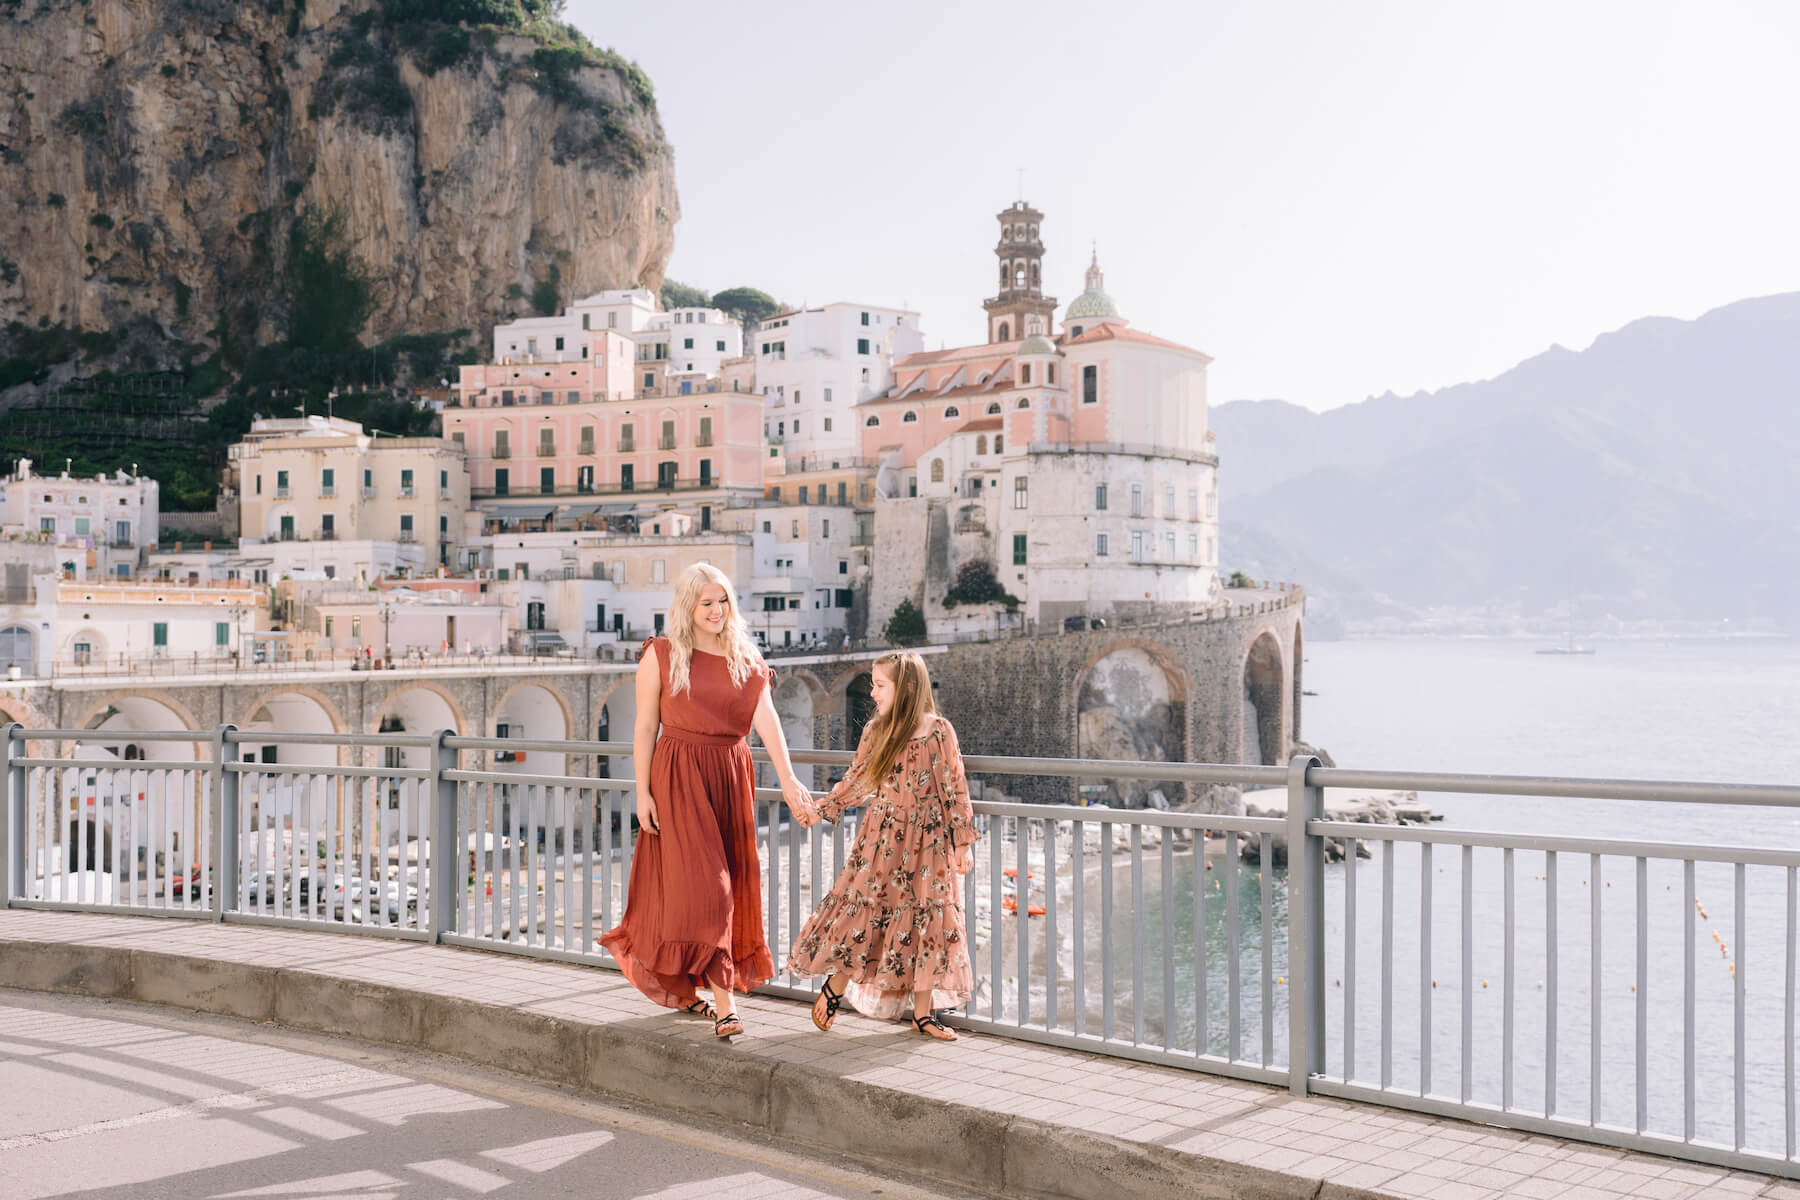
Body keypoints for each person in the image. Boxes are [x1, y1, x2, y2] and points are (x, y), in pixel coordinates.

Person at [598, 563, 812, 1038]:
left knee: (726, 885)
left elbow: (769, 723)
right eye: (706, 602)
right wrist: (642, 792)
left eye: (723, 601)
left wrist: (790, 778)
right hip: (678, 777)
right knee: (707, 890)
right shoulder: (662, 654)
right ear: (688, 607)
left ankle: (692, 986)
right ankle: (725, 1004)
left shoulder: (745, 655)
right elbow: (643, 727)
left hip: (730, 775)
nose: (717, 611)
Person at [789, 651, 975, 1040]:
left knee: (930, 922)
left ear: (906, 688)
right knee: (864, 914)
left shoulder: (939, 731)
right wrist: (822, 809)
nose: (872, 692)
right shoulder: (876, 731)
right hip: (883, 837)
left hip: (929, 842)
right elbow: (857, 781)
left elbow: (955, 788)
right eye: (872, 684)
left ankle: (924, 1015)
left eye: (879, 685)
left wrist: (963, 843)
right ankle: (834, 988)